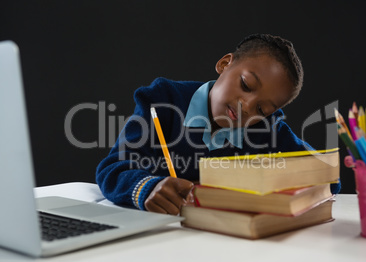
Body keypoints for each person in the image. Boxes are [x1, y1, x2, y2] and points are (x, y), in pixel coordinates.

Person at [96, 33, 341, 215]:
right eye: (246, 85)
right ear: (225, 64)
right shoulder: (163, 99)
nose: (247, 106)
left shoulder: (266, 128)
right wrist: (147, 188)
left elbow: (326, 176)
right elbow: (113, 168)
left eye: (261, 109)